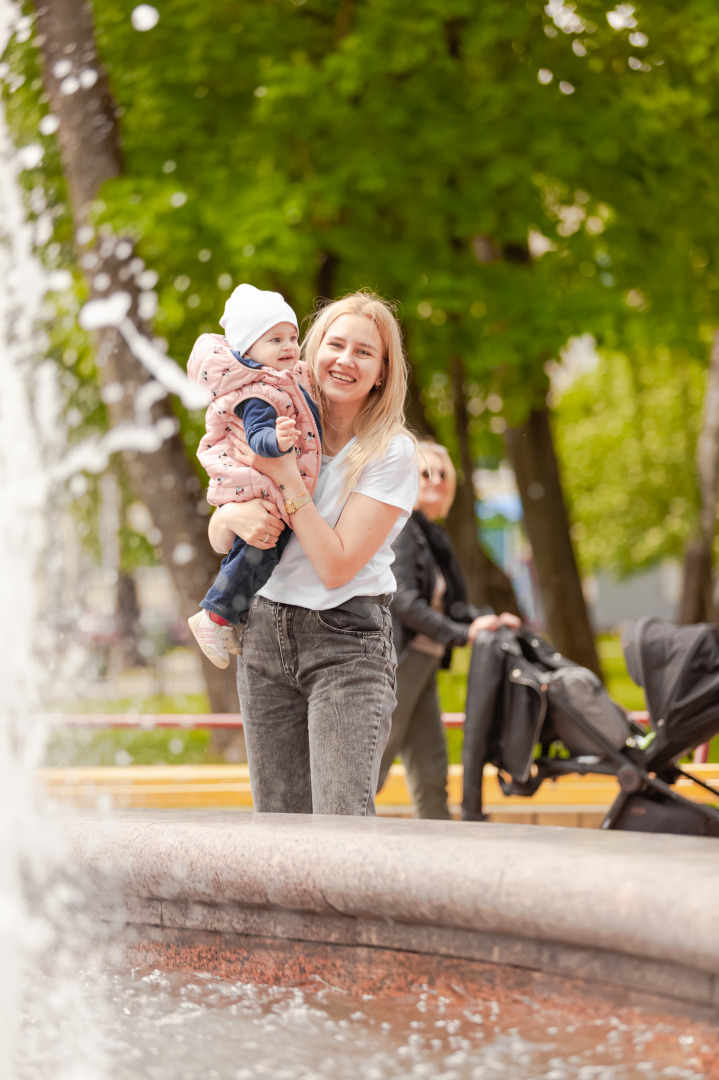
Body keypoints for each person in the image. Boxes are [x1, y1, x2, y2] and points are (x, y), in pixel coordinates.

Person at [207, 291, 418, 817]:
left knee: (339, 830)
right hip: (262, 638)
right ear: (311, 350)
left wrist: (284, 480)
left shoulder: (391, 451)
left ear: (382, 372)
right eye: (335, 344)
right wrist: (230, 517)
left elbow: (336, 565)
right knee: (278, 826)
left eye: (364, 353)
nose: (345, 360)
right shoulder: (275, 420)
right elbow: (225, 533)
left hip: (345, 643)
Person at [377, 442, 520, 819]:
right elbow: (403, 601)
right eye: (426, 473)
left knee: (431, 768)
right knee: (372, 764)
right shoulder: (403, 527)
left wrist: (482, 621)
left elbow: (450, 604)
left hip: (423, 662)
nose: (436, 480)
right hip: (399, 664)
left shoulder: (432, 537)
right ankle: (331, 849)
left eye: (443, 474)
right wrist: (463, 634)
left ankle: (437, 860)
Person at [186, 284, 322, 669]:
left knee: (257, 547)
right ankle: (216, 614)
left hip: (262, 485)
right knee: (259, 549)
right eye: (275, 339)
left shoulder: (282, 380)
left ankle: (224, 615)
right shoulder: (259, 391)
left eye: (293, 337)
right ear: (247, 350)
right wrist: (276, 442)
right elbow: (258, 436)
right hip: (260, 482)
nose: (288, 345)